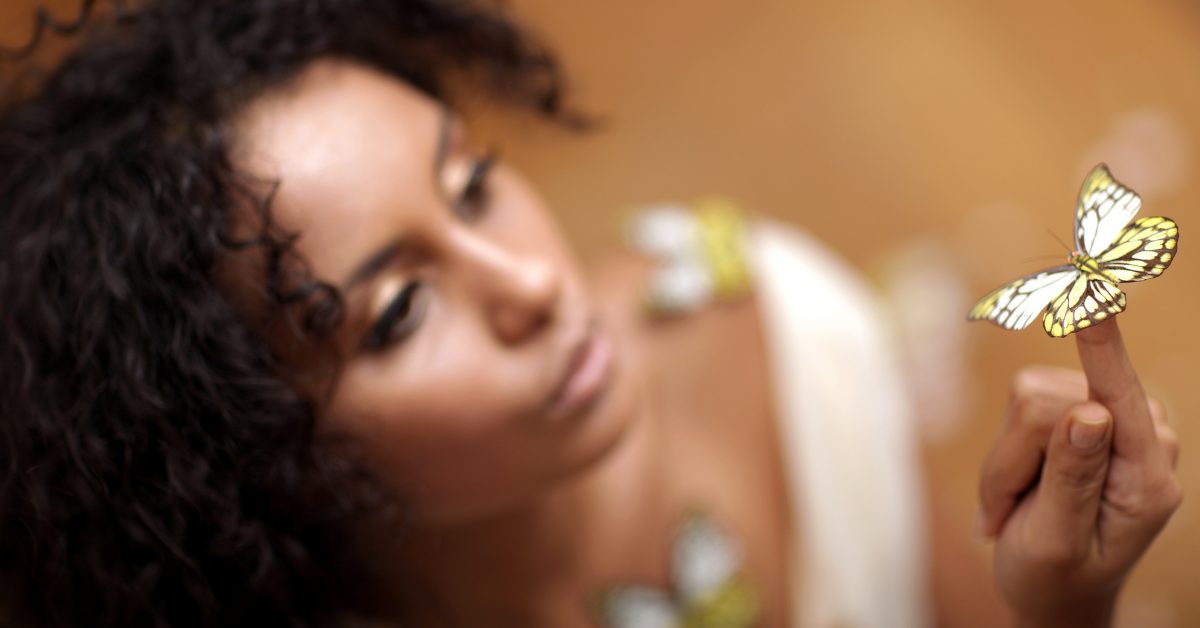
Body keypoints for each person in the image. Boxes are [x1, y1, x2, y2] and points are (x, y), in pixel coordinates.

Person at [0, 1, 1181, 627]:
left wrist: (1064, 602)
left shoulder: (761, 315)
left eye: (471, 181)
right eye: (403, 308)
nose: (531, 284)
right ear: (245, 458)